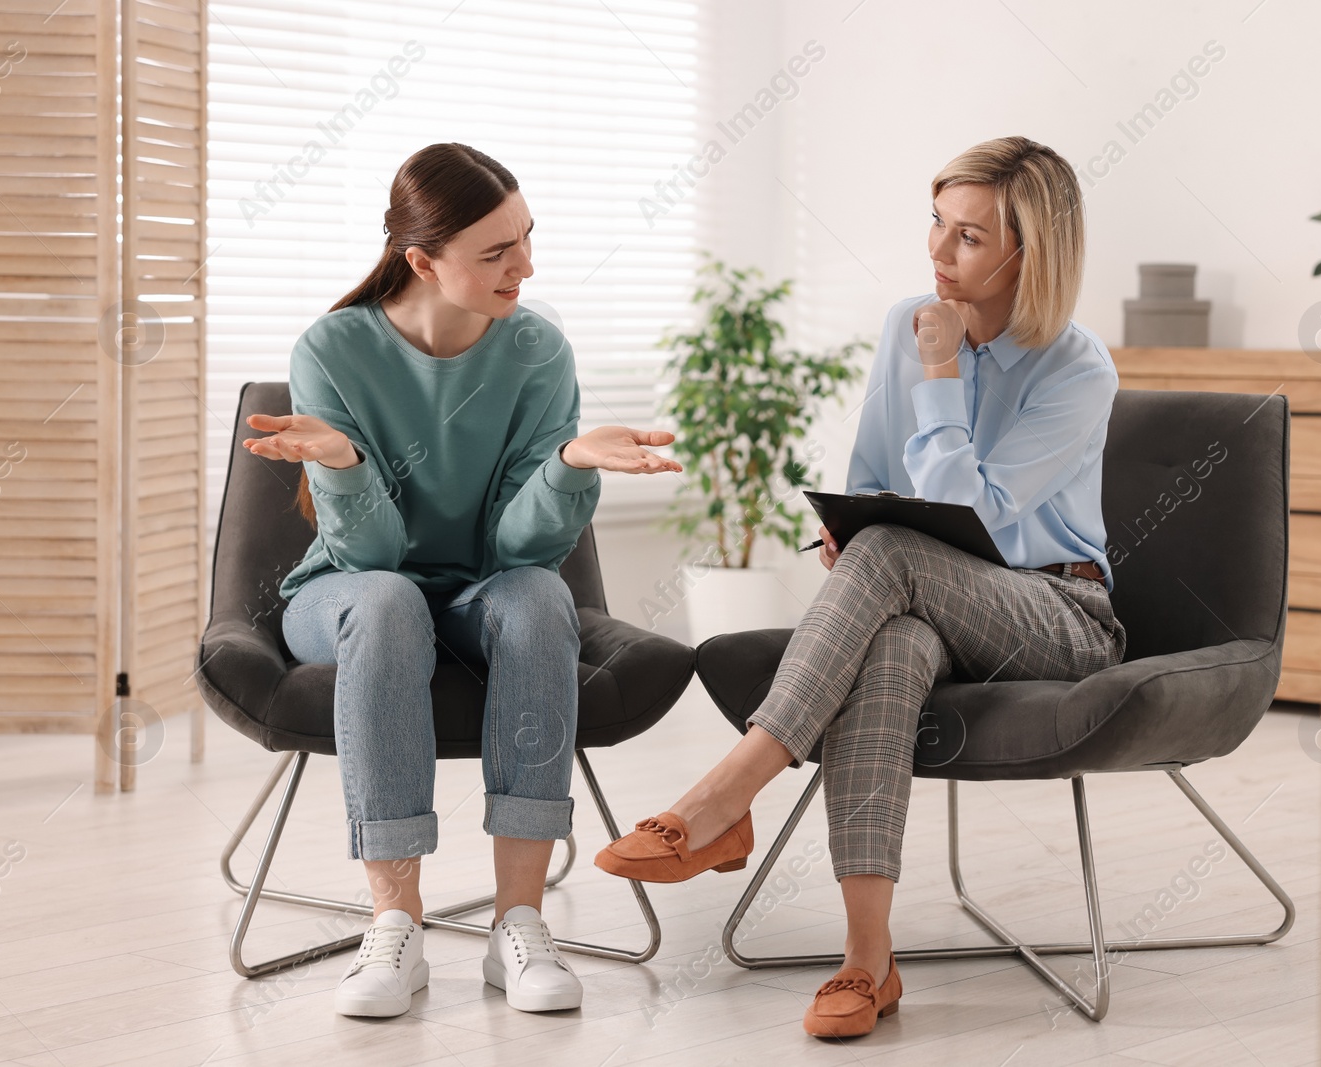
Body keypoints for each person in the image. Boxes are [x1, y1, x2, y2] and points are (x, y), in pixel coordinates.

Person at [594, 136, 1128, 1039]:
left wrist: (942, 374)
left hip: (1058, 612)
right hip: (926, 601)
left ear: (1027, 254)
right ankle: (866, 961)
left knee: (893, 555)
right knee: (890, 644)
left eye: (967, 236)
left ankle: (727, 795)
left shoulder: (1077, 369)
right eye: (936, 223)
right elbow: (876, 477)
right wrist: (843, 539)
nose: (936, 250)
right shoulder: (907, 322)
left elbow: (981, 516)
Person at [243, 143, 681, 1020]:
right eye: (496, 252)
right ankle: (393, 924)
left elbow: (518, 551)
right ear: (422, 261)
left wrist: (564, 464)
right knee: (390, 597)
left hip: (482, 588)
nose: (525, 265)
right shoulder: (334, 348)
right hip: (349, 595)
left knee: (538, 597)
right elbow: (371, 556)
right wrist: (346, 460)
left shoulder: (536, 351)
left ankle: (518, 922)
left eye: (526, 238)